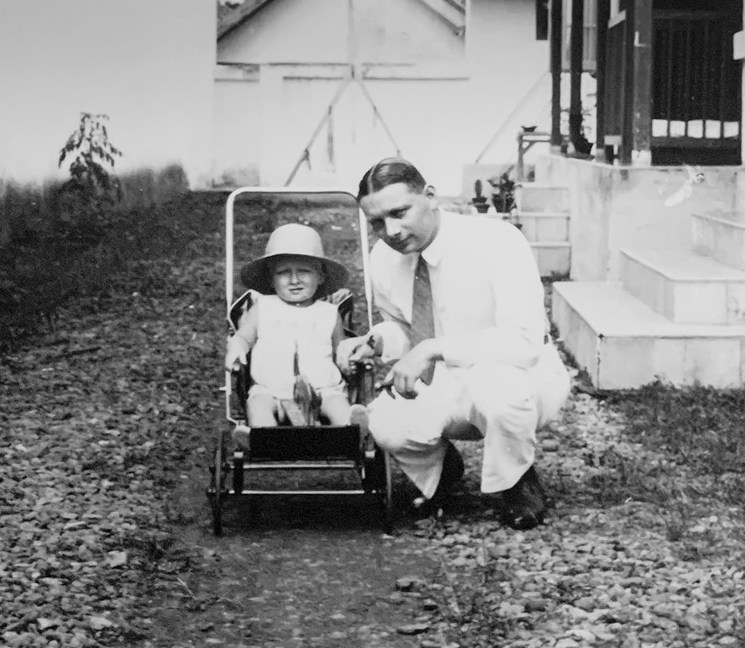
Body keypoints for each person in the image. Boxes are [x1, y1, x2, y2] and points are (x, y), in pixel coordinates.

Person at [339, 158, 570, 530]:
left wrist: (433, 348)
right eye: (377, 222)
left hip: (520, 374)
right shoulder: (383, 258)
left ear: (430, 196)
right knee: (385, 423)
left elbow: (523, 342)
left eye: (400, 212)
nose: (391, 231)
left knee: (499, 394)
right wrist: (376, 340)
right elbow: (405, 328)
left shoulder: (496, 240)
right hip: (444, 379)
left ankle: (517, 481)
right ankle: (442, 471)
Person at [226, 223, 367, 446]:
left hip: (324, 387)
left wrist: (347, 360)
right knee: (258, 406)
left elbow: (340, 347)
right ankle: (261, 440)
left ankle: (352, 431)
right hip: (270, 388)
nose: (294, 280)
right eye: (283, 272)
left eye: (304, 271)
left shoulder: (329, 312)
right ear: (271, 279)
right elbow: (243, 337)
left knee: (338, 404)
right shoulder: (263, 307)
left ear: (320, 276)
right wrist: (236, 349)